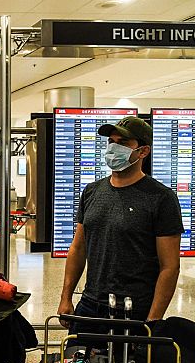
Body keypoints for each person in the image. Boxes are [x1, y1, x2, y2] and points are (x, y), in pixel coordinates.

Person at [58, 116, 183, 332]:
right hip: (89, 304)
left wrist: (153, 321)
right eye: (111, 142)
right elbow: (78, 249)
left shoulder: (161, 198)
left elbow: (170, 267)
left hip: (134, 310)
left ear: (143, 152)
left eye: (123, 144)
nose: (114, 148)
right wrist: (66, 297)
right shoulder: (92, 192)